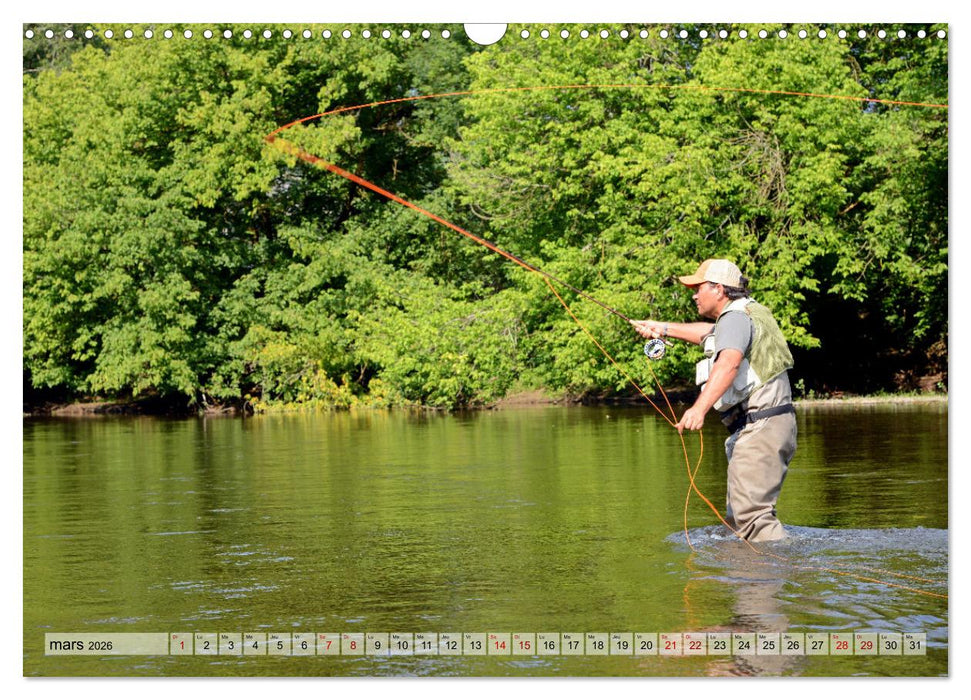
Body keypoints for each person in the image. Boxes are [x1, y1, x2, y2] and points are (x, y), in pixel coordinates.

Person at [631, 259, 797, 542]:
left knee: (753, 520)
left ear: (719, 289)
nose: (694, 294)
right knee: (739, 520)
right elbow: (705, 334)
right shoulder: (746, 313)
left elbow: (728, 364)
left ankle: (768, 578)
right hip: (765, 426)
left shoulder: (735, 318)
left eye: (698, 288)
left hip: (762, 427)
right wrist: (662, 328)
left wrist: (699, 408)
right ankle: (750, 576)